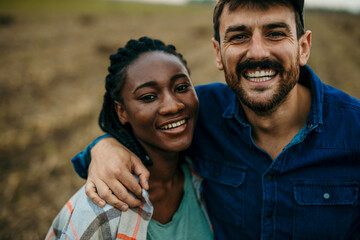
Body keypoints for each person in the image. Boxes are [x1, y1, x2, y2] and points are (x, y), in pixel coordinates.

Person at [72, 0, 360, 239]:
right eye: (239, 36)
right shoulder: (200, 114)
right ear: (218, 53)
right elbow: (143, 131)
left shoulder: (354, 131)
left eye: (275, 33)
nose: (257, 52)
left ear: (304, 47)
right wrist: (104, 147)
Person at [45, 37, 213, 240]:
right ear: (122, 111)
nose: (173, 106)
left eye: (181, 87)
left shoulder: (205, 177)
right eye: (149, 96)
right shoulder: (102, 208)